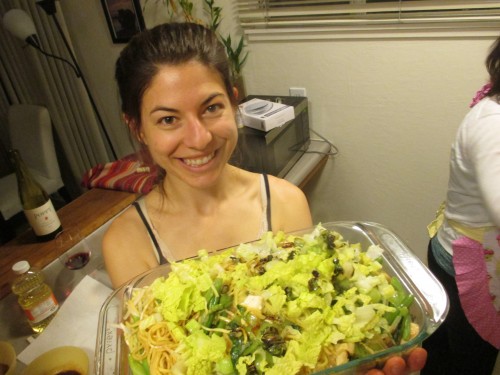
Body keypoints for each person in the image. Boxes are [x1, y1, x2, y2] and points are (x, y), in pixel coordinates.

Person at [102, 22, 426, 375]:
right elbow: (154, 360)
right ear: (137, 129)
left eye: (211, 108)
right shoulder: (127, 242)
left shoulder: (285, 201)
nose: (198, 138)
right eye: (168, 119)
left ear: (234, 102)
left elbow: (308, 341)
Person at [423, 36, 500, 375]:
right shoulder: (493, 125)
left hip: (464, 251)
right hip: (472, 269)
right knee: (466, 364)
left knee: (442, 356)